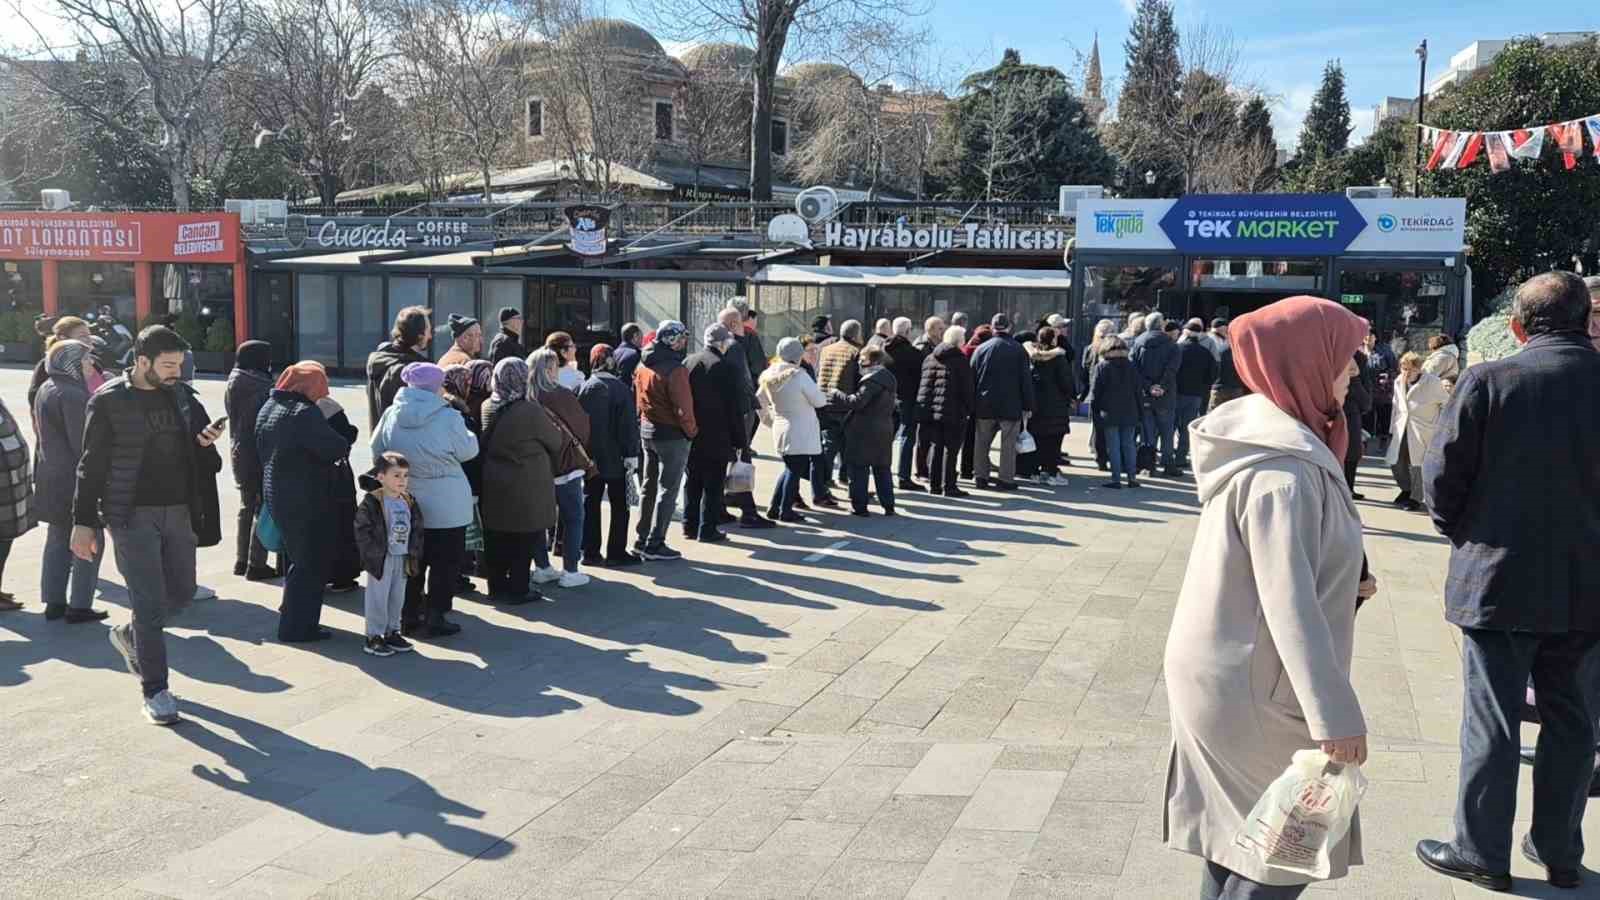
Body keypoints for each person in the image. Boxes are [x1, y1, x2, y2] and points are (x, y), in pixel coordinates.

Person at [1163, 295, 1372, 898]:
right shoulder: (1287, 472)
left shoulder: (1277, 443)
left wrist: (1347, 576)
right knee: (1283, 854)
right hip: (1260, 686)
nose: (1354, 368)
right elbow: (1289, 602)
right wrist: (1334, 716)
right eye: (1344, 355)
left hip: (1234, 671)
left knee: (1235, 841)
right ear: (1307, 361)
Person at [1415, 271, 1600, 893]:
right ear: (1587, 322)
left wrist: (1467, 534)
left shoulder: (1490, 380)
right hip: (1588, 585)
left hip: (1499, 578)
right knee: (1573, 720)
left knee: (1493, 720)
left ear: (1518, 327)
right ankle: (1559, 849)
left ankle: (1481, 851)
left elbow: (1442, 478)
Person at [72, 326, 224, 725]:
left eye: (179, 364)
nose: (177, 372)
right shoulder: (108, 401)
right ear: (142, 362)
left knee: (183, 593)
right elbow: (90, 465)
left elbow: (203, 458)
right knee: (149, 603)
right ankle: (155, 690)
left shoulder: (182, 397)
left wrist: (205, 443)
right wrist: (83, 522)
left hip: (179, 510)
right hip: (130, 515)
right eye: (168, 365)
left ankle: (132, 634)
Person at [370, 362, 477, 637]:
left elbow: (377, 448)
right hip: (447, 500)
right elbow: (468, 451)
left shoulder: (392, 413)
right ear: (435, 386)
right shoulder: (449, 416)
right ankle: (436, 615)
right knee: (445, 562)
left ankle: (408, 615)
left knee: (411, 561)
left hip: (405, 496)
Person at [256, 361, 357, 643]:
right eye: (321, 386)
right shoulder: (304, 413)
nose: (324, 393)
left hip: (278, 491)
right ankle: (298, 628)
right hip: (307, 497)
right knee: (311, 564)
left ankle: (292, 617)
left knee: (296, 559)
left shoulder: (269, 406)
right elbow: (335, 447)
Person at [478, 358, 563, 605]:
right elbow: (555, 441)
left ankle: (496, 587)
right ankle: (518, 589)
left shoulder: (487, 406)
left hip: (494, 482)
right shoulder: (529, 410)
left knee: (497, 538)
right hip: (526, 483)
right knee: (522, 539)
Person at [35, 339, 106, 620]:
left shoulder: (47, 386)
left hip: (52, 476)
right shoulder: (73, 394)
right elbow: (83, 444)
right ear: (70, 363)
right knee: (90, 540)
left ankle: (53, 601)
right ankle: (80, 605)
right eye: (85, 359)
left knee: (57, 539)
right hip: (74, 479)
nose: (91, 364)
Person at [633, 320, 696, 561]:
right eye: (681, 338)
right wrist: (691, 431)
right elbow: (683, 407)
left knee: (648, 486)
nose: (684, 342)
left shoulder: (643, 364)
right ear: (672, 340)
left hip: (648, 431)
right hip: (671, 434)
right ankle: (655, 542)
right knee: (668, 489)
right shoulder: (675, 369)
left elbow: (639, 400)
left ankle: (642, 539)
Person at [529, 347, 592, 586]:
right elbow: (582, 426)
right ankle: (570, 571)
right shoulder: (561, 394)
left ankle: (542, 566)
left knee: (538, 520)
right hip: (566, 465)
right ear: (549, 370)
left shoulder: (526, 396)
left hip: (536, 468)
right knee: (573, 517)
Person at [682, 324, 746, 543]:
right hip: (717, 434)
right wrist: (740, 440)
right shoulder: (724, 366)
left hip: (691, 432)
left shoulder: (689, 361)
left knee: (693, 481)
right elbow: (733, 408)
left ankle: (689, 525)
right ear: (722, 343)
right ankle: (707, 529)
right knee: (713, 484)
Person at [353, 452, 421, 657]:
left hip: (402, 557)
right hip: (381, 558)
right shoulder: (373, 501)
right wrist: (371, 554)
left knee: (397, 597)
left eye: (405, 475)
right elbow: (362, 529)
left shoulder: (408, 500)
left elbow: (417, 528)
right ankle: (374, 636)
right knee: (378, 598)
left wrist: (415, 552)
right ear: (381, 477)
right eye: (396, 475)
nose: (402, 480)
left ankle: (393, 631)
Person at [578, 345, 640, 566]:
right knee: (620, 505)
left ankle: (590, 552)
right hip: (616, 457)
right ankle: (616, 552)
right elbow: (628, 426)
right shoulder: (621, 389)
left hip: (590, 458)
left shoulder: (584, 388)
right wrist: (631, 454)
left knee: (590, 503)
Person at [757, 337, 829, 522]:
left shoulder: (768, 374)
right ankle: (785, 510)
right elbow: (819, 401)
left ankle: (775, 508)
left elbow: (759, 401)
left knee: (790, 468)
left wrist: (769, 420)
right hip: (801, 430)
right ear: (798, 355)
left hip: (780, 426)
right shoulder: (799, 375)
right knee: (793, 471)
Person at [223, 340, 276, 580]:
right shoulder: (259, 386)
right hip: (257, 453)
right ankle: (256, 564)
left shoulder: (236, 379)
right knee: (263, 507)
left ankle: (241, 560)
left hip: (239, 452)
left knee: (247, 507)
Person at [719, 307, 774, 529]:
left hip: (724, 412)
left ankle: (723, 505)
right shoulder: (738, 345)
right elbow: (752, 373)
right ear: (736, 324)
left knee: (726, 460)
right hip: (739, 411)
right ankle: (748, 512)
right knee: (741, 459)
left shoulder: (718, 344)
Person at [970, 314, 1034, 491]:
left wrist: (971, 403)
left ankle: (980, 476)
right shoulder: (1018, 350)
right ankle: (1005, 479)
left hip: (985, 403)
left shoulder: (981, 349)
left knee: (981, 443)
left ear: (992, 327)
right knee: (1008, 444)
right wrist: (1028, 405)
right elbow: (1025, 380)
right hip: (1010, 404)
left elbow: (972, 376)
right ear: (1009, 327)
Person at [838, 344, 898, 516]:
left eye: (863, 360)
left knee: (858, 468)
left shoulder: (872, 381)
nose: (859, 364)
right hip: (884, 429)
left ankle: (860, 507)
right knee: (882, 468)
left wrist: (838, 394)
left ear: (873, 361)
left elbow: (857, 402)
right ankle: (888, 505)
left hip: (864, 431)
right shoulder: (889, 378)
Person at [1385, 352, 1447, 513]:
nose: (1406, 372)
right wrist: (1392, 428)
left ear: (1419, 369)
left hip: (1423, 428)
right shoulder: (1399, 381)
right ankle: (1406, 489)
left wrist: (1439, 426)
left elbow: (1446, 403)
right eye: (1403, 368)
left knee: (1417, 464)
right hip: (1401, 427)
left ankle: (1415, 498)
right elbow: (1395, 405)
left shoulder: (1433, 382)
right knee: (1396, 461)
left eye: (1410, 369)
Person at [917, 325, 975, 497]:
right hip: (954, 411)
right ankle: (949, 485)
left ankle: (934, 485)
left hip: (932, 411)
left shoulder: (930, 358)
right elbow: (967, 388)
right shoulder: (960, 360)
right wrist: (969, 408)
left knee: (936, 446)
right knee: (951, 449)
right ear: (959, 341)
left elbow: (924, 386)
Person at [817, 319, 865, 495]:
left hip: (825, 402)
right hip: (844, 405)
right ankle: (846, 479)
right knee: (849, 447)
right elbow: (858, 380)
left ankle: (824, 479)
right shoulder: (856, 352)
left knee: (829, 446)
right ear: (856, 334)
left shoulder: (827, 349)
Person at [1131, 312, 1182, 477]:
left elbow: (1135, 370)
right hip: (1165, 395)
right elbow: (1172, 369)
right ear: (1161, 325)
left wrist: (1149, 386)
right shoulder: (1171, 344)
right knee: (1167, 431)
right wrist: (1161, 386)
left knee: (1147, 432)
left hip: (1145, 394)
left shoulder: (1137, 343)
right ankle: (1168, 464)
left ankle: (1148, 465)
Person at [1087, 335, 1141, 489]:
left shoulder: (1102, 366)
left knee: (1114, 446)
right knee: (1129, 445)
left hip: (1109, 412)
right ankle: (1132, 478)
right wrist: (1140, 412)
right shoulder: (1131, 366)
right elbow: (1138, 390)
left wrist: (1095, 412)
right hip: (1130, 411)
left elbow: (1095, 393)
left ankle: (1116, 479)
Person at [1024, 325, 1075, 487]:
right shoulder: (1058, 358)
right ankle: (1051, 473)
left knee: (1037, 440)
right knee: (1053, 442)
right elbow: (1066, 382)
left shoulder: (1031, 355)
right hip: (1056, 406)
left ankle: (1035, 472)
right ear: (1053, 339)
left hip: (1036, 405)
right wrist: (1071, 396)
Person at [366, 306, 431, 430]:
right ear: (419, 335)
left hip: (380, 438)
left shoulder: (380, 359)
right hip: (406, 441)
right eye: (428, 331)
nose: (430, 336)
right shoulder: (415, 371)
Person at [883, 317, 927, 491]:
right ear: (908, 331)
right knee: (907, 438)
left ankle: (883, 474)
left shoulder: (883, 349)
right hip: (908, 399)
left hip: (887, 399)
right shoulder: (914, 353)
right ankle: (903, 476)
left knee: (885, 438)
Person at [29, 315, 95, 419]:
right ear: (62, 338)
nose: (89, 340)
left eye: (89, 335)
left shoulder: (94, 362)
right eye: (83, 336)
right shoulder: (48, 367)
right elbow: (36, 403)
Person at [1174, 321, 1219, 471]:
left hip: (1176, 393)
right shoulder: (1205, 352)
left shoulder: (1177, 349)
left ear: (1185, 333)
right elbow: (1213, 374)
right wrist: (1203, 386)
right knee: (1186, 428)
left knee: (1170, 427)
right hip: (1195, 394)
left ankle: (1166, 457)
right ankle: (1180, 458)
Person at [958, 324, 992, 481]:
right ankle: (971, 468)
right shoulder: (980, 351)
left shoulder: (967, 349)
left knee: (968, 437)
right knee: (975, 437)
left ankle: (966, 469)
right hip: (975, 398)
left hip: (966, 398)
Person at [1082, 319, 1115, 470]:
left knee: (1096, 425)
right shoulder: (1114, 350)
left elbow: (1084, 370)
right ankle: (1105, 454)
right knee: (1108, 426)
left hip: (1094, 390)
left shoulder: (1090, 348)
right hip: (1109, 392)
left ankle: (1098, 453)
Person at [1342, 349, 1375, 499]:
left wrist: (1353, 378)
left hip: (1350, 414)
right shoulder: (1324, 351)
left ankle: (1348, 488)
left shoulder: (1359, 359)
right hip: (1327, 414)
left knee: (1351, 453)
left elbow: (1366, 401)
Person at [1363, 330, 1398, 451]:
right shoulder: (1358, 350)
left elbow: (1394, 368)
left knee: (1383, 415)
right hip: (1365, 389)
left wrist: (1387, 377)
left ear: (1375, 337)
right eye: (1365, 335)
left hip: (1382, 390)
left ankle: (1383, 442)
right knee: (1366, 416)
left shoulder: (1385, 351)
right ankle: (1364, 443)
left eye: (1370, 335)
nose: (1367, 337)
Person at [613, 322, 644, 387]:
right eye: (641, 336)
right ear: (635, 336)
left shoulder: (614, 353)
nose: (642, 340)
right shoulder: (635, 354)